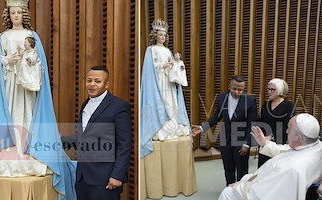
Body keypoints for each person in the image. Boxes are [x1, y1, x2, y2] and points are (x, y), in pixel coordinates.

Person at [0, 1, 76, 199]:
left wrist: (29, 59)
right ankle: (8, 153)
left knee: (28, 114)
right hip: (9, 85)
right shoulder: (3, 37)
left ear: (24, 14)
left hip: (27, 86)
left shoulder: (32, 36)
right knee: (11, 114)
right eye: (13, 13)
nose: (16, 16)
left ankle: (30, 153)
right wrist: (8, 60)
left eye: (19, 12)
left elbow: (39, 61)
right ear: (8, 15)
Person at [61, 66, 132, 200]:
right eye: (89, 80)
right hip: (82, 177)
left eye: (97, 81)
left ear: (106, 85)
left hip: (105, 178)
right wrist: (57, 141)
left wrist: (117, 175)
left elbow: (125, 144)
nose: (92, 84)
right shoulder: (85, 105)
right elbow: (82, 137)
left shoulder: (119, 106)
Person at [218, 113, 322, 200]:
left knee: (227, 193)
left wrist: (238, 186)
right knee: (246, 177)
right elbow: (285, 150)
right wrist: (264, 142)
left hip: (265, 188)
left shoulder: (291, 169)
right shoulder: (316, 146)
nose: (286, 131)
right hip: (272, 180)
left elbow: (258, 194)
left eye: (289, 128)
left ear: (298, 138)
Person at [191, 75, 257, 185]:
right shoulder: (222, 97)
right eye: (234, 89)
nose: (236, 92)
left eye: (240, 90)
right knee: (228, 168)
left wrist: (246, 144)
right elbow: (217, 116)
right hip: (225, 139)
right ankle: (229, 190)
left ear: (244, 89)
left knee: (242, 170)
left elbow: (252, 124)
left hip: (241, 140)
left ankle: (241, 193)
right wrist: (203, 127)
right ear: (229, 86)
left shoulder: (250, 100)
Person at [140, 19, 190, 157]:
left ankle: (172, 126)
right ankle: (160, 128)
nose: (162, 37)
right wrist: (163, 66)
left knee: (171, 104)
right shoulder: (151, 50)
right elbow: (149, 68)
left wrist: (176, 63)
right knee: (162, 103)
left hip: (168, 82)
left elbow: (173, 67)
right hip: (158, 82)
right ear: (155, 35)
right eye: (160, 34)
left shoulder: (167, 50)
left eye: (164, 35)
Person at [257, 78, 295, 167]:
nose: (269, 92)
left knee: (276, 167)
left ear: (280, 90)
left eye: (272, 89)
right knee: (263, 167)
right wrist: (261, 136)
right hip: (264, 141)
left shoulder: (288, 105)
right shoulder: (266, 104)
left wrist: (271, 137)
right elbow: (261, 121)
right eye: (268, 89)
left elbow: (287, 125)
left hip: (279, 142)